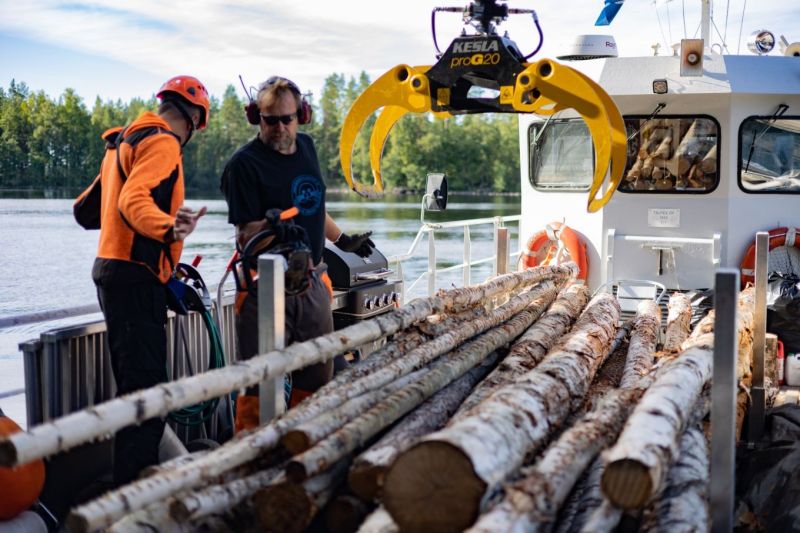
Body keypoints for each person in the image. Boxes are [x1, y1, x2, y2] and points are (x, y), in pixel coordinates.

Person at [75, 75, 210, 485]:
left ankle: (127, 491)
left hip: (113, 275)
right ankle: (132, 502)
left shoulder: (126, 140)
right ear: (193, 118)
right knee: (147, 404)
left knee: (138, 395)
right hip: (135, 281)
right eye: (196, 126)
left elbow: (86, 211)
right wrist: (168, 229)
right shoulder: (163, 142)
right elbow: (133, 201)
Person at [220, 76, 374, 432]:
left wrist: (342, 239)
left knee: (318, 375)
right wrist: (271, 227)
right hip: (264, 288)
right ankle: (250, 456)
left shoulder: (306, 148)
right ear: (255, 117)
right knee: (260, 380)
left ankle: (305, 447)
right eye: (269, 120)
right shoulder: (242, 165)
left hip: (313, 282)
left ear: (300, 115)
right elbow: (244, 235)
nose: (279, 128)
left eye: (286, 119)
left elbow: (312, 203)